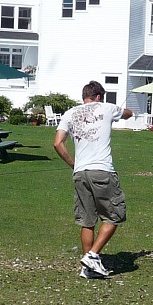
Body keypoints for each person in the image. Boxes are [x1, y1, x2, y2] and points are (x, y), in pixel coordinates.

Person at [54, 80, 133, 279]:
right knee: (114, 215)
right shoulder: (106, 107)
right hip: (102, 171)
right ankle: (92, 255)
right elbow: (128, 114)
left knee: (87, 221)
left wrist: (73, 164)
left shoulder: (70, 113)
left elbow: (57, 143)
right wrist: (124, 111)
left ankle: (87, 269)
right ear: (98, 97)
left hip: (80, 173)